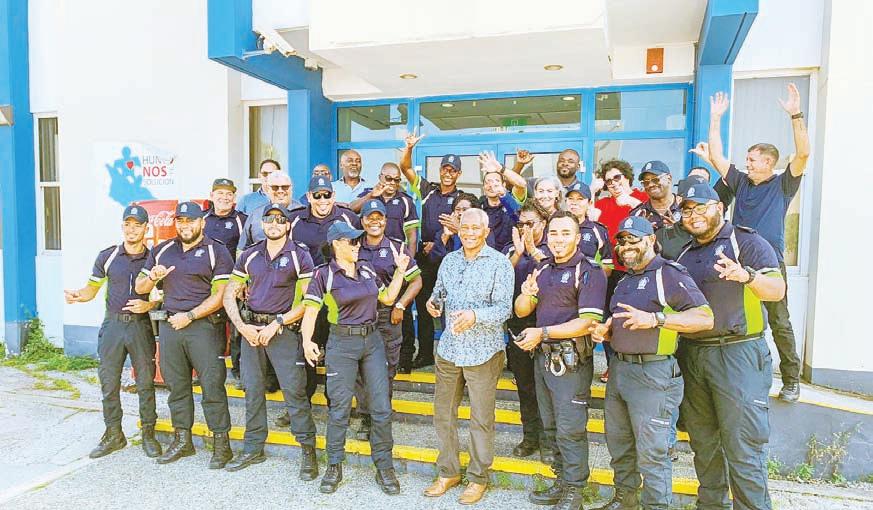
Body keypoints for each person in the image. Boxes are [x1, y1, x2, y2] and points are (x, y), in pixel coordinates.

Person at [694, 85, 810, 402]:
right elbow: (717, 156)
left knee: (779, 321)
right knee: (735, 318)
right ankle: (739, 375)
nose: (748, 163)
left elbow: (803, 154)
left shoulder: (784, 184)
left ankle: (791, 380)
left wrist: (795, 114)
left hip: (769, 263)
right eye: (747, 159)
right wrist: (715, 118)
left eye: (753, 160)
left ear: (769, 162)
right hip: (737, 263)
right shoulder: (741, 181)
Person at [589, 215, 713, 510]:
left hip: (654, 374)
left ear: (651, 240)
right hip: (620, 371)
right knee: (620, 445)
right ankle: (625, 501)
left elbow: (704, 318)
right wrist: (606, 331)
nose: (626, 246)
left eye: (634, 239)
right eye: (622, 241)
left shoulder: (668, 273)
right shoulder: (625, 280)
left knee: (653, 454)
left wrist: (656, 319)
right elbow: (623, 322)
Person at [675, 182, 786, 510]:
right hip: (693, 355)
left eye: (700, 207)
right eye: (686, 209)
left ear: (720, 208)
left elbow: (777, 290)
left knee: (743, 447)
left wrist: (747, 277)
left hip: (738, 355)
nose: (693, 215)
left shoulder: (746, 242)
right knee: (704, 444)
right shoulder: (683, 253)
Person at [301, 222, 409, 495]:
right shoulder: (323, 274)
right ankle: (334, 466)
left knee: (381, 407)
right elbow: (310, 311)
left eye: (358, 241)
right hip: (342, 344)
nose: (358, 245)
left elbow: (387, 298)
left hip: (372, 341)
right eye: (352, 241)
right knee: (339, 409)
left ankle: (384, 466)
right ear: (337, 244)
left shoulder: (367, 269)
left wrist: (400, 271)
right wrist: (306, 341)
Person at [513, 211, 608, 509]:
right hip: (544, 359)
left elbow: (587, 323)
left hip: (571, 361)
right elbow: (521, 310)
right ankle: (562, 481)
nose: (558, 239)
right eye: (553, 233)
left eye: (566, 233)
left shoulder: (589, 270)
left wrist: (542, 333)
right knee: (551, 426)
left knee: (570, 428)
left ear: (578, 238)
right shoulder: (542, 268)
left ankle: (575, 491)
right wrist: (526, 294)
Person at [422, 208, 514, 505]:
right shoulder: (449, 260)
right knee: (443, 414)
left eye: (476, 228)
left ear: (487, 231)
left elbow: (504, 309)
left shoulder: (500, 264)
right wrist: (433, 304)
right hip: (450, 348)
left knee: (481, 418)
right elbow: (439, 293)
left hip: (483, 351)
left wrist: (475, 316)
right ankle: (448, 472)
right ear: (459, 230)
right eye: (465, 227)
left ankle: (478, 478)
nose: (470, 232)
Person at [221, 203, 319, 480]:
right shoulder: (249, 254)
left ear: (288, 225)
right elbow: (229, 293)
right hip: (252, 330)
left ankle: (308, 451)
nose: (274, 224)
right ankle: (253, 448)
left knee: (295, 392)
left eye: (280, 220)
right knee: (252, 391)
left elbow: (308, 301)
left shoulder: (300, 255)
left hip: (283, 332)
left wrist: (278, 323)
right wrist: (242, 327)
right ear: (262, 224)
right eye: (269, 219)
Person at [135, 201, 235, 468]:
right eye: (180, 220)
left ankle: (222, 445)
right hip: (171, 327)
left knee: (212, 386)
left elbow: (221, 295)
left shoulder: (217, 251)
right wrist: (153, 278)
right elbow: (140, 286)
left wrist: (190, 316)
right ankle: (183, 441)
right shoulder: (162, 250)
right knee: (176, 386)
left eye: (190, 220)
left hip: (203, 327)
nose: (185, 225)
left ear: (202, 222)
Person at [64, 205, 161, 459]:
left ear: (145, 228)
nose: (132, 230)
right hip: (113, 326)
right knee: (109, 383)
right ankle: (114, 434)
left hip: (140, 326)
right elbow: (91, 289)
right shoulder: (107, 256)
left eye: (137, 225)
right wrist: (78, 295)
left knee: (145, 383)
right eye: (127, 225)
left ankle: (148, 434)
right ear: (122, 227)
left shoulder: (154, 259)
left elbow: (163, 295)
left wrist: (148, 305)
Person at [353, 199, 423, 441]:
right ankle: (365, 417)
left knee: (385, 369)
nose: (375, 222)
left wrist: (401, 304)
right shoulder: (353, 246)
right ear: (362, 221)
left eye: (379, 217)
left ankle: (381, 417)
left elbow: (416, 281)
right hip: (359, 316)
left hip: (387, 316)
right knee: (361, 368)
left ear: (385, 220)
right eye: (369, 218)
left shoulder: (397, 247)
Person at [288, 176, 361, 402]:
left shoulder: (348, 218)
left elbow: (359, 252)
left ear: (334, 196)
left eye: (327, 195)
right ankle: (302, 406)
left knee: (337, 353)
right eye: (317, 195)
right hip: (307, 297)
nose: (322, 200)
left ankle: (335, 404)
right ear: (309, 197)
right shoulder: (294, 220)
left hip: (339, 298)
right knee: (305, 351)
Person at [399, 132, 462, 369]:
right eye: (445, 169)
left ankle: (453, 355)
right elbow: (405, 168)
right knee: (425, 307)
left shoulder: (462, 198)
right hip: (425, 259)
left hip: (449, 257)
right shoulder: (428, 190)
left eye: (453, 170)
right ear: (440, 170)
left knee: (451, 307)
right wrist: (409, 148)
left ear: (458, 174)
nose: (448, 173)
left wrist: (439, 242)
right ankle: (426, 353)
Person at [503, 201, 553, 464]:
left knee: (546, 387)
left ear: (543, 224)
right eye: (520, 224)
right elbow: (499, 277)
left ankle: (548, 442)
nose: (524, 228)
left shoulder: (552, 247)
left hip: (546, 326)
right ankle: (530, 437)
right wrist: (518, 253)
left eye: (530, 223)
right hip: (518, 327)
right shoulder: (511, 248)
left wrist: (532, 251)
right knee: (524, 385)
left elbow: (553, 274)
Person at [592, 159, 648, 382]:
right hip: (611, 271)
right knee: (609, 317)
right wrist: (593, 191)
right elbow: (587, 218)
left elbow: (653, 220)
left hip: (637, 270)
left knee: (633, 317)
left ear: (627, 177)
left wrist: (632, 202)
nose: (613, 183)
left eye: (617, 178)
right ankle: (611, 364)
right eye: (608, 181)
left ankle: (636, 363)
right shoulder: (604, 203)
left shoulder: (641, 198)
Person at [203, 178, 247, 383]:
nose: (225, 197)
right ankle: (210, 372)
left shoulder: (242, 220)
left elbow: (248, 251)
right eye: (220, 193)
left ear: (234, 197)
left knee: (238, 327)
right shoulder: (201, 219)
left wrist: (244, 280)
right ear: (211, 196)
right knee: (210, 329)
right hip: (207, 284)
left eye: (229, 194)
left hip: (235, 283)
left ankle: (239, 372)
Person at [349, 162, 420, 247]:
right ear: (380, 177)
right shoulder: (368, 195)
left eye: (396, 180)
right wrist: (371, 196)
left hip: (395, 250)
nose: (392, 182)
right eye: (388, 178)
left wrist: (409, 255)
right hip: (368, 249)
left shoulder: (406, 201)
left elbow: (412, 236)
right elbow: (350, 210)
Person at [238, 171, 300, 252]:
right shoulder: (256, 215)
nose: (280, 191)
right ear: (268, 189)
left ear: (291, 188)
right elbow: (242, 249)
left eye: (285, 187)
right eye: (275, 187)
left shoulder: (303, 213)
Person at [479, 151, 528, 251]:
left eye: (496, 181)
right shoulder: (478, 207)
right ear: (483, 187)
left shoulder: (511, 202)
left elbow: (522, 184)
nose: (492, 185)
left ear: (504, 185)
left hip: (511, 255)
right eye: (488, 182)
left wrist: (500, 168)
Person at [564, 182, 613, 271]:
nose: (574, 203)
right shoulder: (556, 227)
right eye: (570, 198)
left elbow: (608, 267)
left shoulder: (598, 230)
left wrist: (590, 269)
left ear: (590, 203)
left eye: (580, 199)